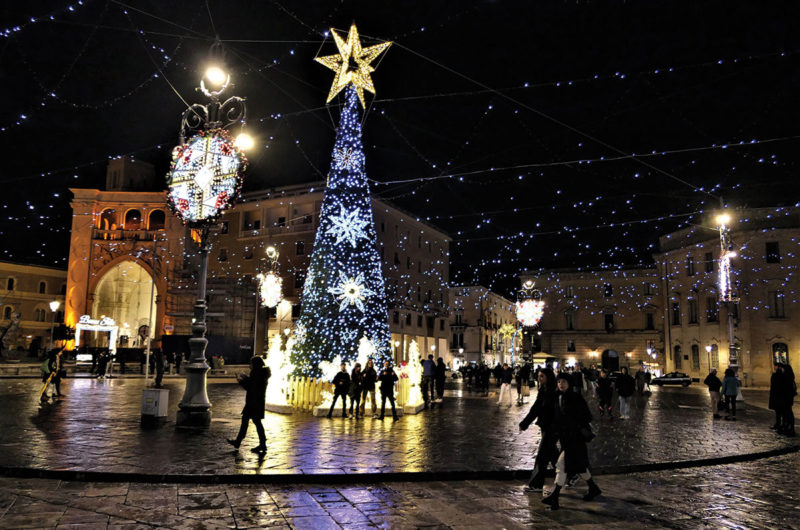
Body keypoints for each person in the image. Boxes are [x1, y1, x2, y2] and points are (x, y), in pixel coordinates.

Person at [541, 373, 601, 510]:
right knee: (579, 465)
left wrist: (573, 424)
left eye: (563, 381)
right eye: (559, 382)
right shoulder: (558, 398)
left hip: (575, 438)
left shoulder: (575, 397)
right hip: (566, 438)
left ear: (569, 383)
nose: (561, 384)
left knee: (561, 465)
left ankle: (555, 497)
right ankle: (593, 487)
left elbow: (586, 416)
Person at [519, 368, 558, 491]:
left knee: (542, 456)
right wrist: (525, 423)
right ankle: (572, 473)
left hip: (553, 427)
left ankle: (536, 484)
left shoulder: (555, 391)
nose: (539, 379)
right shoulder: (543, 390)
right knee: (553, 454)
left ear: (548, 377)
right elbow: (536, 408)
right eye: (538, 376)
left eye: (542, 376)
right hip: (546, 426)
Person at [227, 356, 270, 454]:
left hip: (254, 402)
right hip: (256, 402)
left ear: (255, 365)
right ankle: (257, 443)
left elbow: (251, 388)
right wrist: (245, 378)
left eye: (251, 363)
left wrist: (241, 381)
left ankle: (242, 442)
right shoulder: (260, 374)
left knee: (252, 422)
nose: (249, 365)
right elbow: (252, 383)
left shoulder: (257, 374)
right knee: (252, 421)